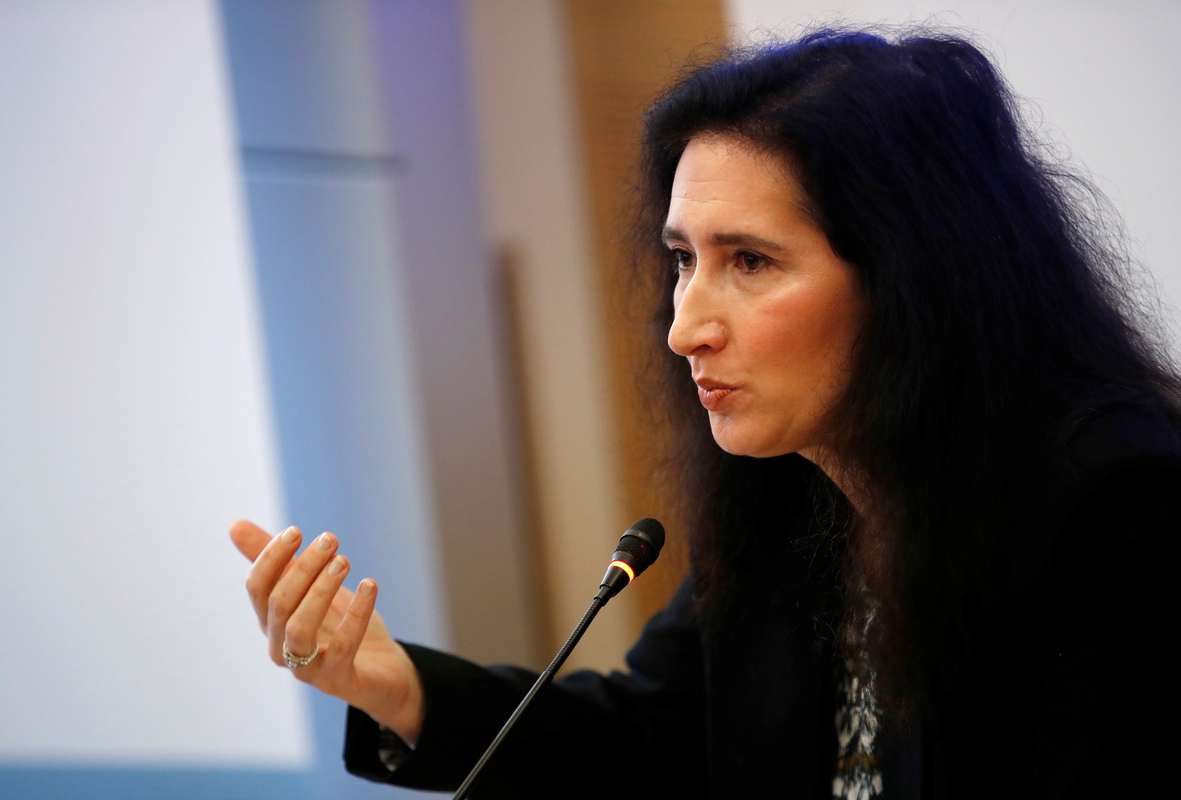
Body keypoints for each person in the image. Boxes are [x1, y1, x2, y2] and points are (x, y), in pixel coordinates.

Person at [230, 26, 1181, 799]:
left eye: (751, 262)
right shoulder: (793, 496)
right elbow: (654, 739)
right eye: (684, 259)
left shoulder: (1119, 514)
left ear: (912, 284)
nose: (684, 327)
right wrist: (396, 687)